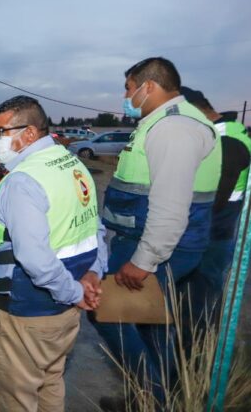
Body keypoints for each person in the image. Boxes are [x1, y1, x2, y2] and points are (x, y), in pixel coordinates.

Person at [92, 58, 221, 410]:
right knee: (153, 322)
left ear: (148, 86)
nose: (126, 95)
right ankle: (158, 396)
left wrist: (143, 261)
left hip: (157, 247)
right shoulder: (165, 125)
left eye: (129, 87)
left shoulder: (173, 128)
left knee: (105, 309)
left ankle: (151, 396)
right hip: (156, 242)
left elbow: (170, 205)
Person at [0, 95, 107, 411]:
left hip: (25, 313)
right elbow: (95, 229)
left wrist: (75, 291)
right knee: (50, 382)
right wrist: (93, 274)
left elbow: (34, 258)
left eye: (1, 132)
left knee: (14, 397)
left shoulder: (23, 181)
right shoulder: (72, 164)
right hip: (63, 312)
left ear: (30, 133)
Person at [180, 87, 251, 332]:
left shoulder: (228, 140)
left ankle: (196, 358)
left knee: (199, 302)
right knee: (193, 298)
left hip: (214, 234)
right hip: (210, 231)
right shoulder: (218, 133)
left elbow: (217, 197)